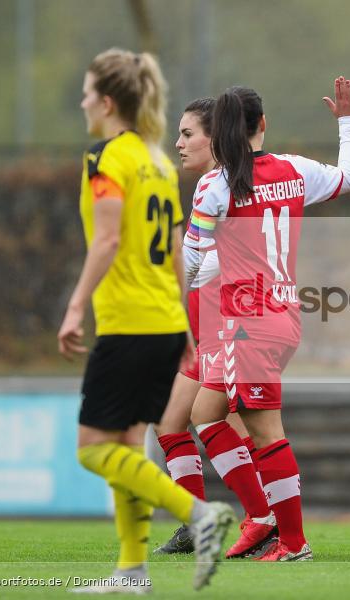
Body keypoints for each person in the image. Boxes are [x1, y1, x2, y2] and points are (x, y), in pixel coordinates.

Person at [57, 48, 233, 593]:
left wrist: (73, 305)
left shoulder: (107, 158)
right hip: (162, 321)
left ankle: (199, 514)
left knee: (93, 449)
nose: (83, 101)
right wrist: (183, 326)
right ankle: (132, 572)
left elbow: (107, 238)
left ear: (107, 101)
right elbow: (179, 246)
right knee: (130, 445)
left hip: (128, 322)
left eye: (88, 92)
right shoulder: (157, 160)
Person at [184, 78, 350, 561]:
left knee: (266, 433)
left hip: (249, 322)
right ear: (263, 124)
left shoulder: (215, 185)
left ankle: (294, 542)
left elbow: (192, 260)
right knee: (205, 413)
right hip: (280, 315)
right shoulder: (294, 169)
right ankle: (261, 517)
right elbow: (348, 177)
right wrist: (348, 122)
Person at [150, 98, 259, 555]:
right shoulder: (211, 186)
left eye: (187, 134)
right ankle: (198, 524)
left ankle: (267, 519)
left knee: (245, 430)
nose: (178, 143)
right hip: (205, 329)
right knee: (170, 425)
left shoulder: (226, 185)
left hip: (233, 328)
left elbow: (227, 259)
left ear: (215, 138)